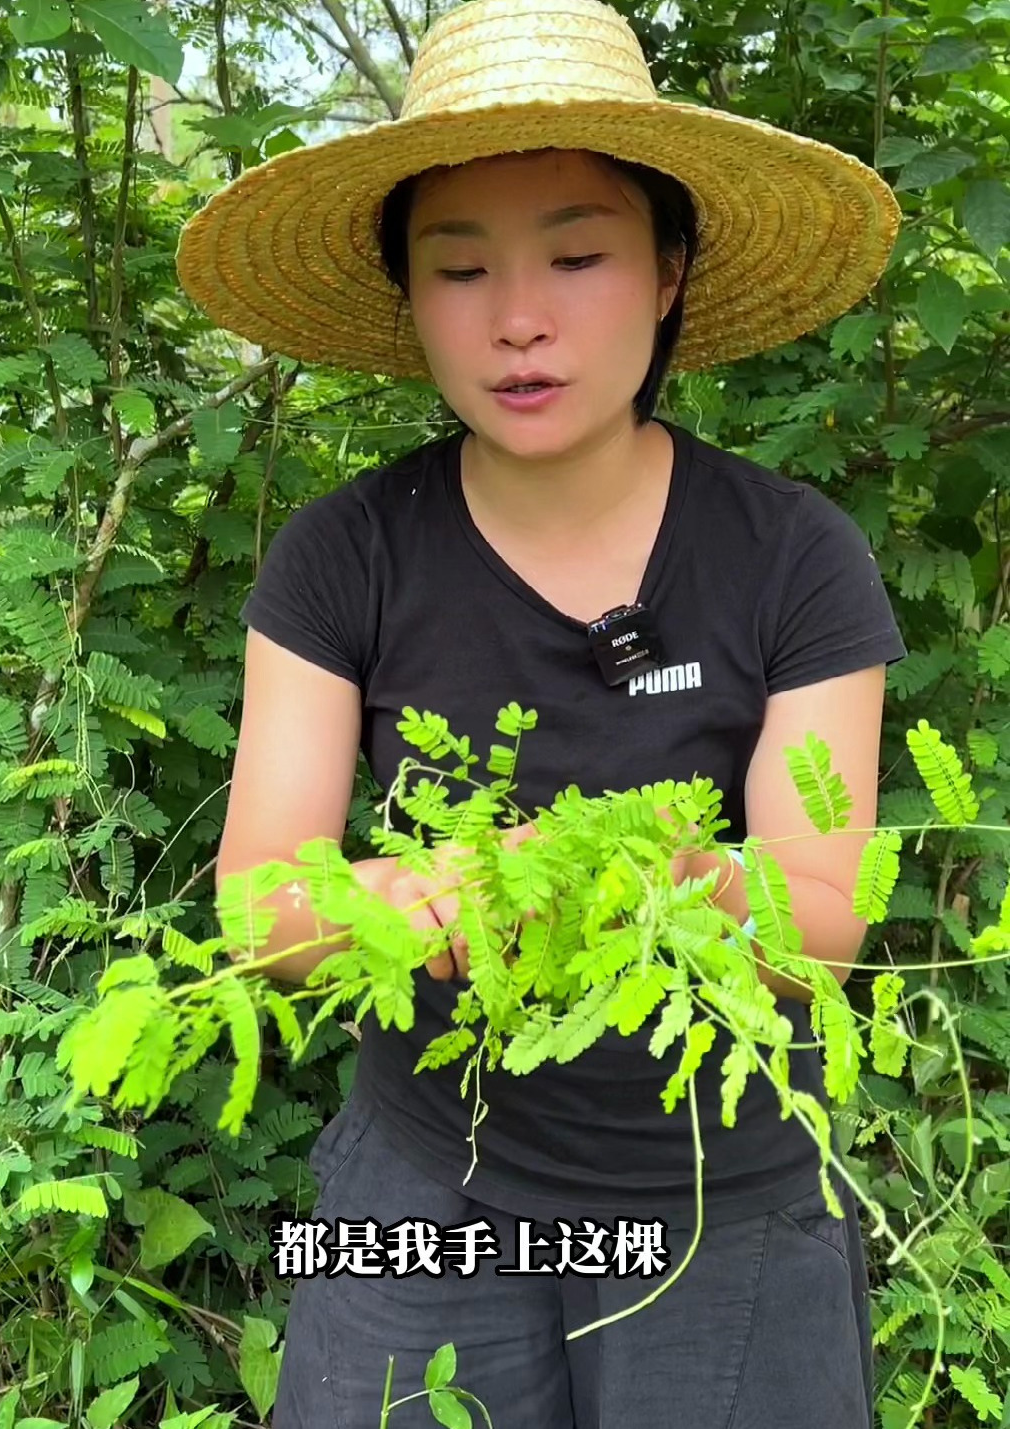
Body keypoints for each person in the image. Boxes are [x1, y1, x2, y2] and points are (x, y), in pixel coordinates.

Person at [176, 0, 909, 1423]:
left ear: (670, 272)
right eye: (460, 270)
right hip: (423, 1180)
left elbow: (823, 907)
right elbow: (262, 900)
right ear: (407, 296)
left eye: (579, 255)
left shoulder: (794, 554)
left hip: (729, 1185)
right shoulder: (343, 556)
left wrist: (676, 889)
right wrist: (412, 896)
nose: (519, 318)